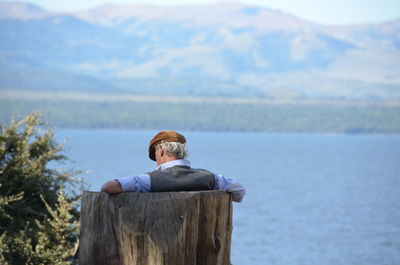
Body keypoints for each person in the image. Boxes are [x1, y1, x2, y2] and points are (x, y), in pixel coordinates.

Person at [102, 130, 245, 202]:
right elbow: (239, 191)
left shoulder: (148, 181)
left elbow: (108, 187)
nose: (156, 159)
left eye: (155, 154)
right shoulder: (211, 178)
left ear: (161, 150)